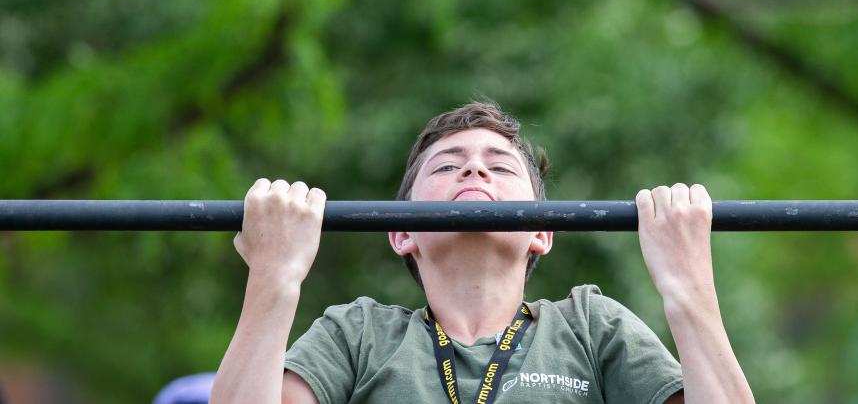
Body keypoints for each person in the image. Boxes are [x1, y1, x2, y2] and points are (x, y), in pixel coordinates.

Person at [209, 101, 754, 403]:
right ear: (402, 233)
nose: (473, 168)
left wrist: (688, 288)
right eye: (446, 166)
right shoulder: (357, 336)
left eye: (500, 164)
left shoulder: (592, 328)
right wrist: (274, 278)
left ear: (542, 230)